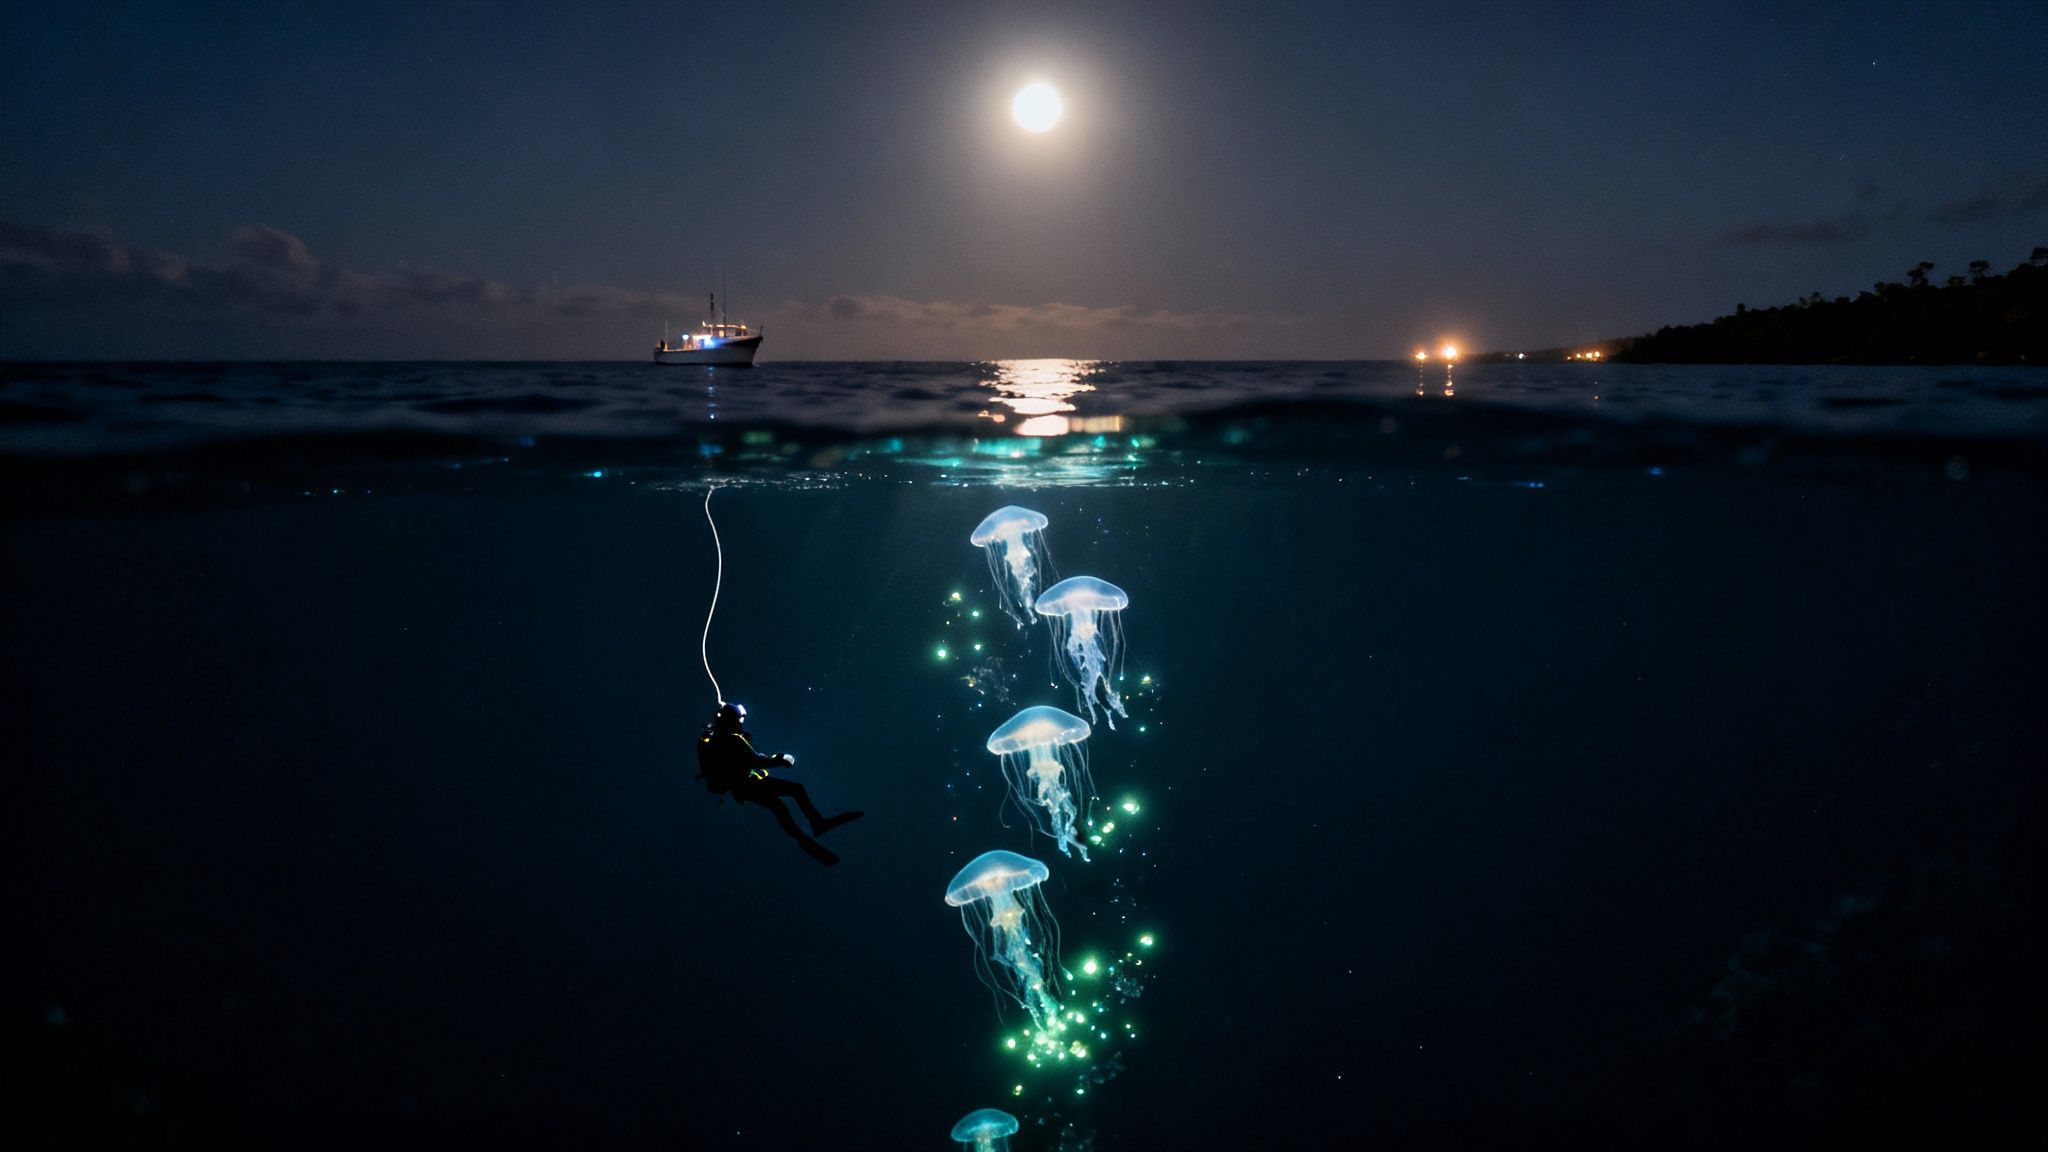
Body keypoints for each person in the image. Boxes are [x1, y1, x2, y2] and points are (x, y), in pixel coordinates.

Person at [696, 702, 862, 866]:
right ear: (732, 720)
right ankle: (817, 824)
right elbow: (755, 761)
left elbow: (749, 758)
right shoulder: (732, 740)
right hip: (747, 784)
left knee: (779, 806)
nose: (742, 722)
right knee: (795, 790)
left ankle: (803, 836)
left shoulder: (718, 738)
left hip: (742, 787)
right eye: (740, 719)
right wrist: (780, 761)